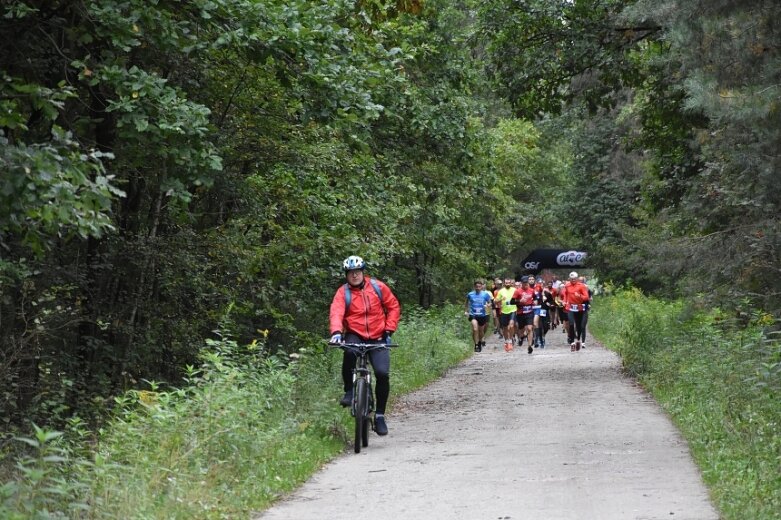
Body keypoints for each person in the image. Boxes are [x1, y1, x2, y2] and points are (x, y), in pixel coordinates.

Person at [329, 255, 401, 436]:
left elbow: (393, 306)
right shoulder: (343, 292)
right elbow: (336, 312)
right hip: (355, 333)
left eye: (358, 272)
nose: (354, 276)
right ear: (346, 275)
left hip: (378, 335)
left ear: (363, 272)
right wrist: (336, 332)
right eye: (351, 273)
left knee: (382, 374)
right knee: (349, 352)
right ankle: (349, 390)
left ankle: (379, 416)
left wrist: (389, 329)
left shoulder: (377, 287)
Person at [563, 271, 590, 351]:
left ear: (577, 279)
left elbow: (586, 297)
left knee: (579, 326)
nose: (573, 280)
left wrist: (580, 296)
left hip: (580, 308)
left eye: (574, 279)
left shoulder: (581, 286)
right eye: (571, 279)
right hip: (571, 307)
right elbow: (565, 294)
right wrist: (565, 301)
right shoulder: (567, 286)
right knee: (571, 324)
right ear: (569, 279)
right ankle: (572, 342)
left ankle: (579, 340)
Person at [465, 279, 493, 352]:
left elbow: (490, 303)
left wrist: (488, 305)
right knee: (475, 329)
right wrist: (466, 311)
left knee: (481, 331)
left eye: (479, 287)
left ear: (481, 287)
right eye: (476, 286)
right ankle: (476, 345)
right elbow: (466, 303)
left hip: (482, 315)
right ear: (474, 286)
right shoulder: (470, 294)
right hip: (473, 314)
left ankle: (480, 342)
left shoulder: (485, 294)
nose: (478, 288)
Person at [511, 276, 535, 354]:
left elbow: (536, 298)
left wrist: (535, 302)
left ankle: (529, 346)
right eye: (524, 283)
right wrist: (519, 301)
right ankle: (521, 337)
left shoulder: (531, 290)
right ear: (521, 283)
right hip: (520, 312)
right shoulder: (517, 291)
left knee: (529, 328)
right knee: (521, 330)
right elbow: (511, 302)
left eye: (526, 283)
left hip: (529, 312)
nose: (525, 284)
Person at [495, 277, 517, 352]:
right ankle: (506, 341)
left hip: (513, 310)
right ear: (504, 283)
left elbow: (518, 298)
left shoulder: (514, 290)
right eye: (506, 283)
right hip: (504, 311)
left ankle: (510, 341)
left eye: (509, 283)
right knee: (504, 328)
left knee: (511, 325)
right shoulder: (501, 291)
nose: (508, 284)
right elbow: (495, 301)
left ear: (511, 283)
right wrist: (500, 300)